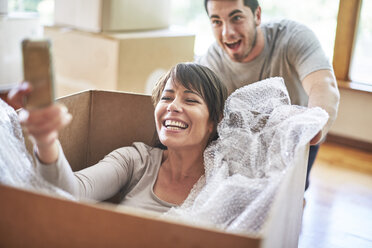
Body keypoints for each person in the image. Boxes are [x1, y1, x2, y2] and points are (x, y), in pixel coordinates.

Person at [8, 62, 228, 213]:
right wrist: (46, 141)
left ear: (214, 120)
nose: (172, 106)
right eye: (167, 97)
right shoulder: (136, 160)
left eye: (190, 100)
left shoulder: (224, 179)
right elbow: (71, 192)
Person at [197, 0, 340, 190]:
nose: (227, 33)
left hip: (297, 137)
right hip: (243, 141)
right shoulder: (211, 62)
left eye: (236, 18)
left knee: (292, 194)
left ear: (257, 16)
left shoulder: (293, 37)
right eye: (217, 21)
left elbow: (323, 85)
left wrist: (311, 129)